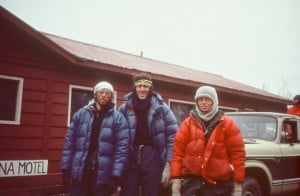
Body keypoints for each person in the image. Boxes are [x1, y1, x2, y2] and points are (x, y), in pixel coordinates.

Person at [171, 86, 246, 196]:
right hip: (192, 185)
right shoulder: (187, 124)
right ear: (197, 102)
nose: (204, 103)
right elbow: (178, 152)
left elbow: (238, 154)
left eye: (207, 99)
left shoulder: (228, 125)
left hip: (220, 186)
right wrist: (176, 181)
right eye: (201, 99)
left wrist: (238, 184)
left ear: (214, 101)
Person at [60, 81, 130, 196]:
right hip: (80, 170)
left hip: (103, 173)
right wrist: (66, 169)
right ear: (95, 94)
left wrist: (115, 176)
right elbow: (69, 143)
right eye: (101, 92)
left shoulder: (119, 119)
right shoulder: (80, 115)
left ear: (111, 96)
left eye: (107, 93)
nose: (104, 95)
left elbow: (122, 150)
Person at [118, 72, 178, 196]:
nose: (142, 89)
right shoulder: (125, 108)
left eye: (146, 86)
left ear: (150, 88)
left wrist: (168, 165)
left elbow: (173, 136)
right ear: (135, 88)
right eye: (139, 86)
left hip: (153, 155)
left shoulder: (162, 108)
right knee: (128, 191)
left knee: (152, 192)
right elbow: (117, 135)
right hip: (131, 155)